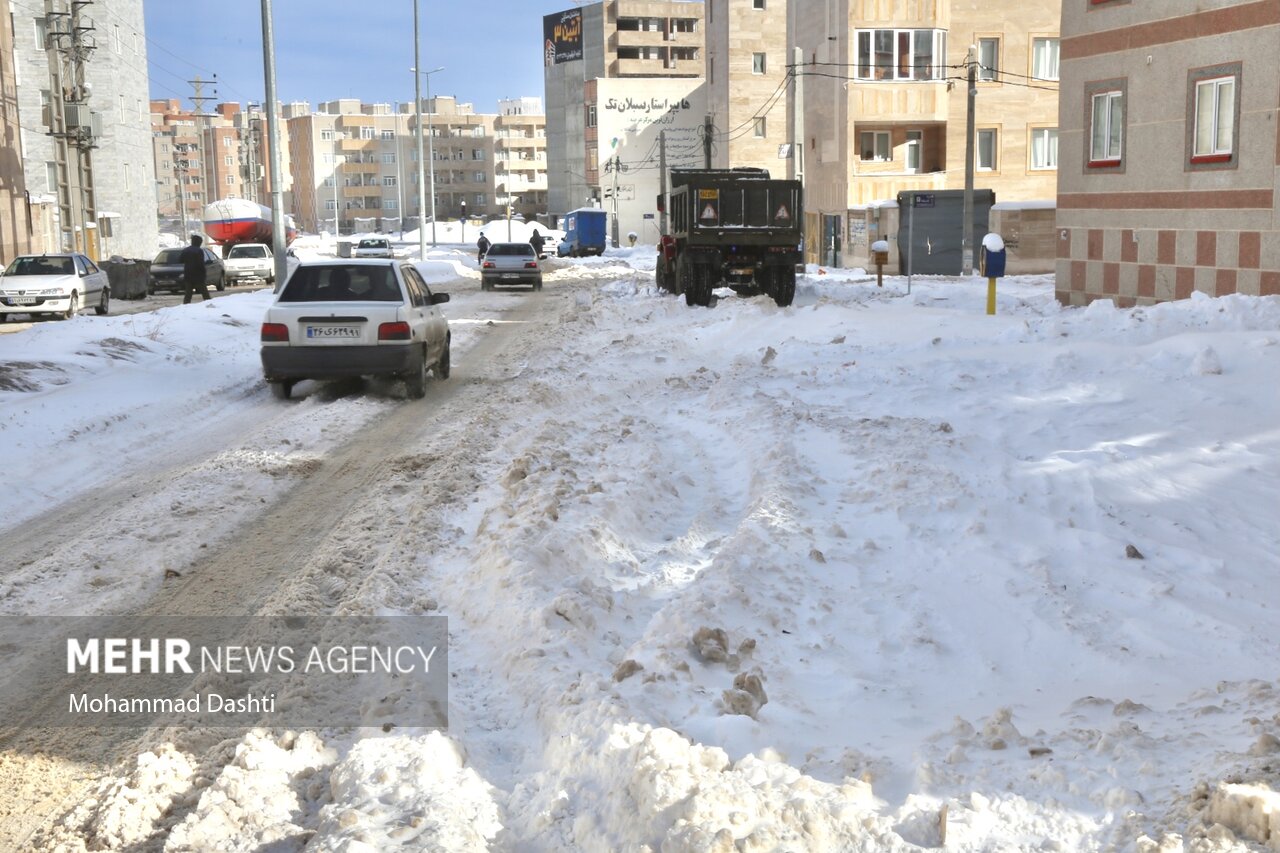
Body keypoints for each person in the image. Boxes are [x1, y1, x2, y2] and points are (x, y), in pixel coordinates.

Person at [180, 234, 211, 304]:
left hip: (188, 274)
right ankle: (209, 304)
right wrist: (203, 273)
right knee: (204, 293)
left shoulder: (185, 250)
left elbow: (180, 260)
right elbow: (201, 263)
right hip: (198, 275)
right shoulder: (199, 251)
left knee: (188, 294)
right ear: (198, 242)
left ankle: (185, 306)